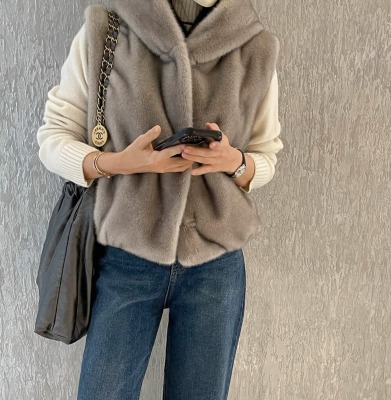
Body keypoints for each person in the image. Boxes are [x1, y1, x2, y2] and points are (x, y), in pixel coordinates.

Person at [37, 0, 284, 398]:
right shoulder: (108, 28)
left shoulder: (254, 47)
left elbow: (266, 155)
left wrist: (234, 161)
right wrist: (116, 163)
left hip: (215, 264)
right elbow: (53, 136)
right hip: (125, 257)